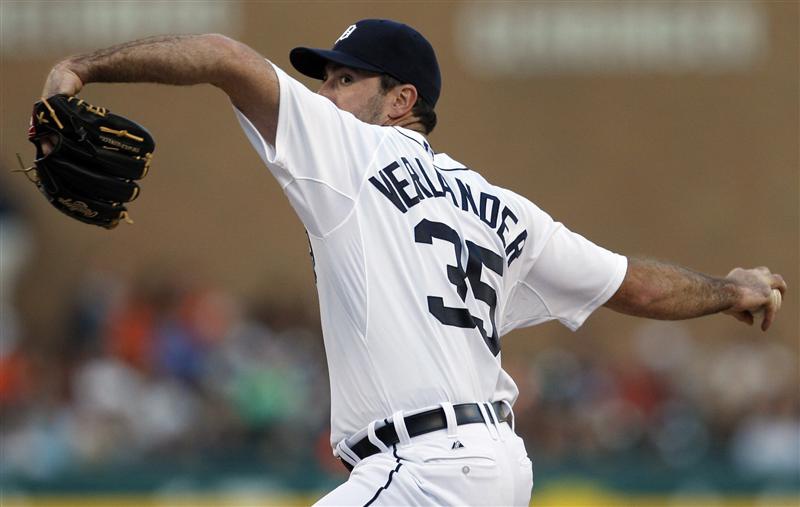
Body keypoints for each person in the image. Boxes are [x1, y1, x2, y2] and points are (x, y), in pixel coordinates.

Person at [40, 19, 786, 506]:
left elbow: (223, 56)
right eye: (325, 78)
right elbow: (635, 284)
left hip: (425, 468)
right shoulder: (504, 209)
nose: (324, 93)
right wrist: (728, 290)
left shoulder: (353, 152)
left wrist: (82, 65)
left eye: (343, 78)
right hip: (498, 468)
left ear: (400, 102)